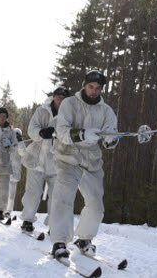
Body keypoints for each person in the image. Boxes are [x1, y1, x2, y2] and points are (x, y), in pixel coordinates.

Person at [49, 72, 119, 259]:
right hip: (67, 157)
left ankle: (84, 239)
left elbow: (109, 136)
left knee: (96, 205)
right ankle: (59, 242)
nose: (94, 91)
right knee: (64, 198)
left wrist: (111, 140)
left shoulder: (107, 111)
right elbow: (62, 131)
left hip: (91, 161)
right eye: (91, 87)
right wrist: (81, 134)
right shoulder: (70, 104)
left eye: (98, 88)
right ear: (84, 85)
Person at [19, 86, 70, 235]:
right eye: (59, 97)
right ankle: (27, 220)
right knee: (33, 192)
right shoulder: (42, 111)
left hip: (57, 161)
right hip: (37, 158)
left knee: (57, 195)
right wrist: (41, 133)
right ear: (54, 97)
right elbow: (32, 128)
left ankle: (53, 225)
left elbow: (70, 136)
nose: (61, 100)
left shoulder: (69, 115)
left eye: (64, 98)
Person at [3, 128, 24, 220]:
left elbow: (23, 153)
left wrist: (20, 142)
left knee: (11, 195)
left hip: (15, 175)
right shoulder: (8, 143)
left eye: (18, 135)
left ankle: (8, 211)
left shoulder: (21, 145)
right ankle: (0, 209)